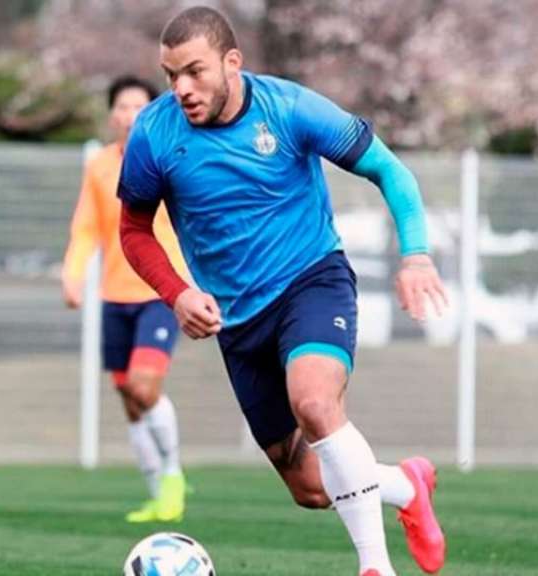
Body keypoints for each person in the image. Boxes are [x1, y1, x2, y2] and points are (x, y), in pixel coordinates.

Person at [117, 7, 447, 575]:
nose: (182, 89)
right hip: (239, 322)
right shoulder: (154, 132)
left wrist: (415, 254)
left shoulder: (291, 109)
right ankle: (407, 486)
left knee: (316, 403)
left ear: (232, 62)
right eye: (171, 75)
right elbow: (134, 230)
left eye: (194, 71)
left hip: (310, 282)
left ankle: (375, 567)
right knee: (313, 488)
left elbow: (390, 170)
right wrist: (175, 292)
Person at [62, 76, 189, 523]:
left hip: (160, 292)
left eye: (139, 106)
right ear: (111, 114)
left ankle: (173, 475)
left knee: (143, 385)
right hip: (113, 296)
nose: (129, 115)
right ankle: (156, 492)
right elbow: (86, 228)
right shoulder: (98, 165)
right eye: (121, 106)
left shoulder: (170, 156)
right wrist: (73, 275)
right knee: (128, 398)